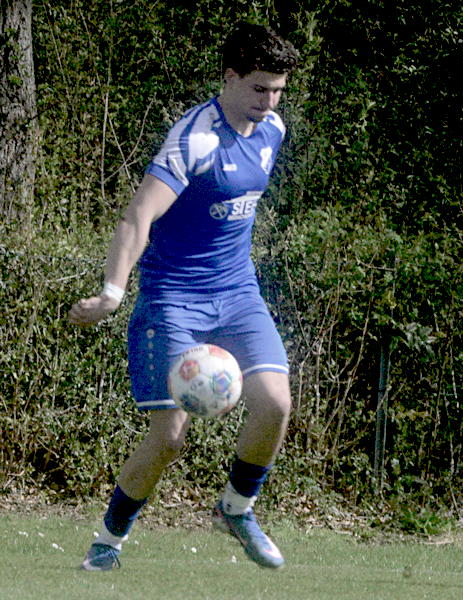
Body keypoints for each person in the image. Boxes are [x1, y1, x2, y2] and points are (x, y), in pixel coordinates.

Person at [68, 22, 301, 571]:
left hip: (238, 291)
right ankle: (109, 541)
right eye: (259, 88)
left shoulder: (272, 130)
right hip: (174, 297)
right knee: (170, 434)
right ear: (230, 77)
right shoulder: (195, 139)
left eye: (277, 91)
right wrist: (112, 292)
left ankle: (235, 508)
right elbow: (139, 216)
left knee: (276, 404)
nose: (269, 102)